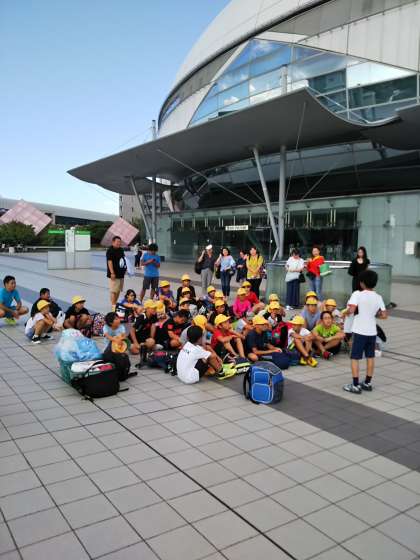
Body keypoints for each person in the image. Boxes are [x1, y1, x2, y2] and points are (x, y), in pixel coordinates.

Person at [343, 269, 387, 394]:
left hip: (359, 331)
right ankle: (367, 383)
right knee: (370, 357)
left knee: (354, 358)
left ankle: (355, 385)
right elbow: (384, 315)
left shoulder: (357, 294)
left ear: (362, 283)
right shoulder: (378, 297)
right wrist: (373, 314)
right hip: (372, 331)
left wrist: (345, 312)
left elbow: (351, 310)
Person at [106, 236, 127, 310]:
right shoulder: (110, 250)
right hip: (114, 274)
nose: (119, 243)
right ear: (113, 242)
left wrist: (125, 268)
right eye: (117, 242)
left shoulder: (121, 250)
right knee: (113, 290)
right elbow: (109, 262)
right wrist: (112, 273)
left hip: (121, 274)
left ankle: (115, 303)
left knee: (118, 290)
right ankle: (113, 305)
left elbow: (123, 259)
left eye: (120, 242)